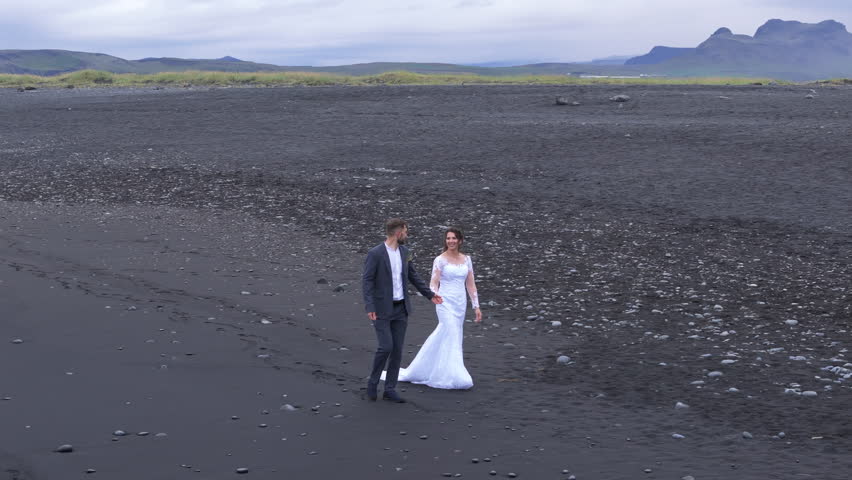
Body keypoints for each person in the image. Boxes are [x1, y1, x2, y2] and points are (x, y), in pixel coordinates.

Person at [363, 218, 442, 403]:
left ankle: (390, 389)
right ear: (398, 233)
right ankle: (372, 384)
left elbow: (413, 276)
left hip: (401, 309)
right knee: (385, 347)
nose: (407, 234)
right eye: (406, 231)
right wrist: (370, 306)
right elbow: (367, 281)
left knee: (397, 350)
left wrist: (430, 295)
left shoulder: (405, 252)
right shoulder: (375, 253)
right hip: (382, 309)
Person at [394, 227, 482, 389]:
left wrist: (476, 306)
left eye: (454, 238)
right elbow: (434, 282)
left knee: (450, 334)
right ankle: (455, 374)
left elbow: (470, 283)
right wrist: (433, 295)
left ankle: (434, 368)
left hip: (460, 302)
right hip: (444, 301)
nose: (451, 241)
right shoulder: (440, 260)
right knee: (451, 331)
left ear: (460, 241)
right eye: (448, 238)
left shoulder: (466, 259)